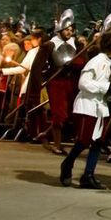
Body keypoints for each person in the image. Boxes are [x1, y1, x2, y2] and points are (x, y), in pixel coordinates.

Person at [60, 24, 111, 189]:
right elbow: (83, 83)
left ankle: (88, 175)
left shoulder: (108, 62)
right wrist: (106, 87)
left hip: (99, 106)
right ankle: (67, 164)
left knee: (98, 142)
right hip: (87, 105)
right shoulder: (97, 61)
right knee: (83, 141)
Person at [39, 9, 85, 156]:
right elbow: (41, 66)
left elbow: (83, 62)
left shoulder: (77, 45)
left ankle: (45, 134)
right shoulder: (50, 45)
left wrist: (75, 64)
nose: (69, 32)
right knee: (59, 114)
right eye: (66, 29)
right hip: (56, 82)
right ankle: (57, 144)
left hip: (71, 82)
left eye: (71, 29)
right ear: (60, 29)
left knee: (69, 114)